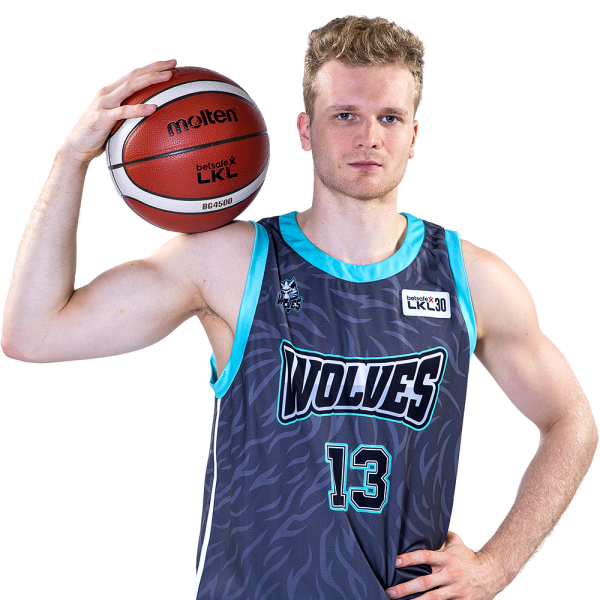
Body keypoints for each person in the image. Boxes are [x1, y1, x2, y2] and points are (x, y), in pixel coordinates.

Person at [1, 14, 597, 600]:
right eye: (345, 115)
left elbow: (572, 422)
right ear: (305, 130)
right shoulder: (229, 261)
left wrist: (497, 567)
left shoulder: (472, 279)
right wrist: (70, 160)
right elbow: (33, 334)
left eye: (390, 117)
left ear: (415, 136)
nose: (369, 136)